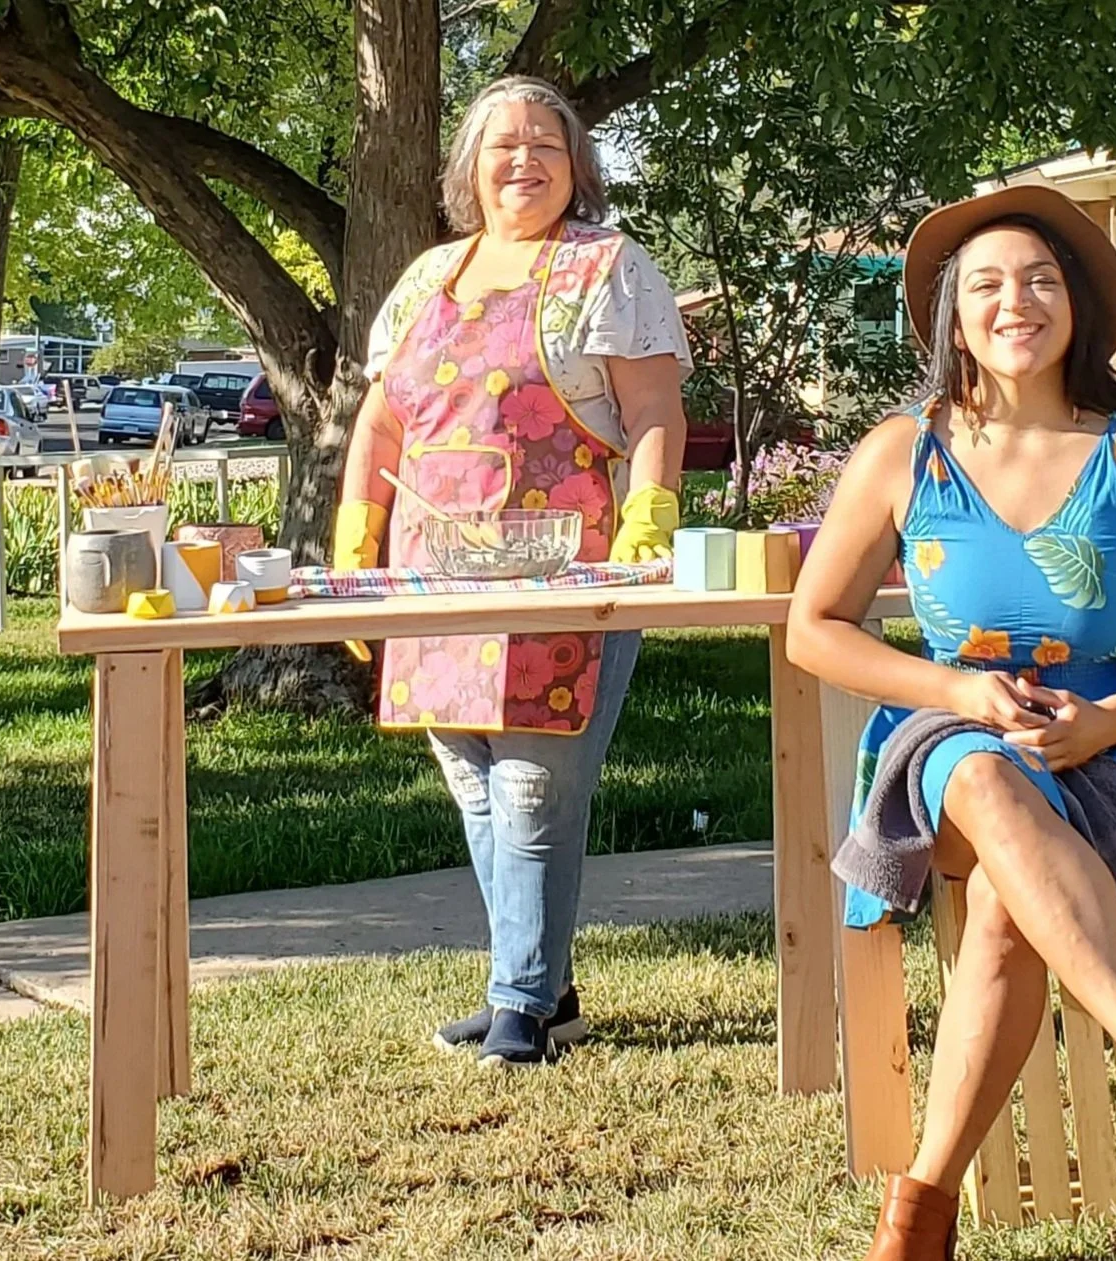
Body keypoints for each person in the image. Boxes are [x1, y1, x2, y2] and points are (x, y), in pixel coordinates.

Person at [786, 185, 1116, 1258]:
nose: (1015, 303)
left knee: (1006, 901)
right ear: (953, 313)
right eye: (988, 285)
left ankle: (919, 1209)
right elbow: (814, 628)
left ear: (1077, 306)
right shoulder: (905, 452)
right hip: (945, 750)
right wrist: (955, 693)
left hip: (1114, 754)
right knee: (988, 781)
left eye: (1039, 281)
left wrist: (1107, 721)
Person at [333, 75, 691, 1068]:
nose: (524, 160)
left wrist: (648, 525)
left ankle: (520, 1006)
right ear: (467, 170)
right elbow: (384, 420)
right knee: (476, 784)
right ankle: (542, 992)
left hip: (566, 575)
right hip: (434, 578)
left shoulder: (609, 269)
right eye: (502, 145)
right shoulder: (425, 282)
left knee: (537, 784)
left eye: (546, 143)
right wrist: (356, 542)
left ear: (577, 167)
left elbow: (655, 411)